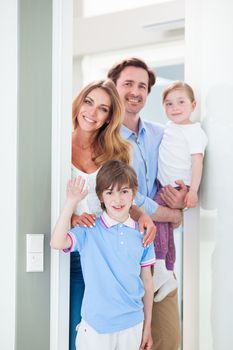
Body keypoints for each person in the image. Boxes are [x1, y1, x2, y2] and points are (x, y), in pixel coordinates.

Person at [69, 79, 156, 350]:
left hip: (106, 254)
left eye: (103, 109)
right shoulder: (55, 144)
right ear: (79, 102)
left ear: (109, 117)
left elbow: (124, 195)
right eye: (88, 102)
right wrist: (72, 219)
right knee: (75, 334)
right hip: (72, 249)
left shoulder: (116, 151)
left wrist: (142, 214)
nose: (92, 113)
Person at [107, 57, 187, 350]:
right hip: (122, 255)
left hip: (161, 253)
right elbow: (124, 194)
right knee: (131, 341)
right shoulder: (106, 138)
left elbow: (175, 174)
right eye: (128, 83)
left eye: (142, 86)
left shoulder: (160, 133)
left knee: (168, 339)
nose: (135, 91)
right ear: (113, 87)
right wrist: (170, 213)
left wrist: (182, 197)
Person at [51, 160, 155, 350]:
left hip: (132, 326)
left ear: (134, 193)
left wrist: (147, 327)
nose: (118, 199)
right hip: (95, 327)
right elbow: (57, 242)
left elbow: (147, 282)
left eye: (124, 191)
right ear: (100, 196)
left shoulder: (143, 233)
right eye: (110, 192)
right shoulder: (89, 229)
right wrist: (72, 201)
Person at [153, 81, 208, 302]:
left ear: (193, 105)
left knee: (157, 221)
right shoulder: (168, 127)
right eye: (169, 103)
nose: (174, 107)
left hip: (177, 186)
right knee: (165, 227)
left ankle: (162, 269)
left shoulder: (194, 131)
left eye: (181, 102)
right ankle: (167, 271)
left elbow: (197, 161)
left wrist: (192, 191)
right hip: (162, 184)